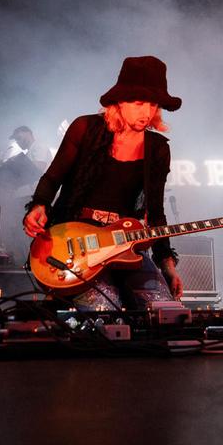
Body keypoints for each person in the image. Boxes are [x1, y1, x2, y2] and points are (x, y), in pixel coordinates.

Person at [23, 55, 184, 310]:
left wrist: (168, 267)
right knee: (105, 312)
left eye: (153, 105)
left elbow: (156, 213)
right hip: (78, 245)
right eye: (139, 102)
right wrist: (39, 206)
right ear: (120, 100)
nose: (147, 112)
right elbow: (53, 176)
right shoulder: (85, 128)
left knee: (165, 312)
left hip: (125, 244)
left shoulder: (159, 149)